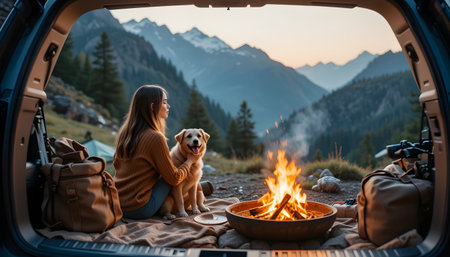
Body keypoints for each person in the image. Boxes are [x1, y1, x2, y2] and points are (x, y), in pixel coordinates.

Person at [113, 85, 200, 219]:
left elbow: (117, 165)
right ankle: (196, 189)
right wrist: (190, 161)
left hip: (117, 203)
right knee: (168, 177)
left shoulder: (125, 134)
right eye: (164, 102)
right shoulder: (155, 137)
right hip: (140, 208)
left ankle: (198, 188)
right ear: (153, 106)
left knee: (169, 174)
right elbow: (174, 179)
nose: (168, 106)